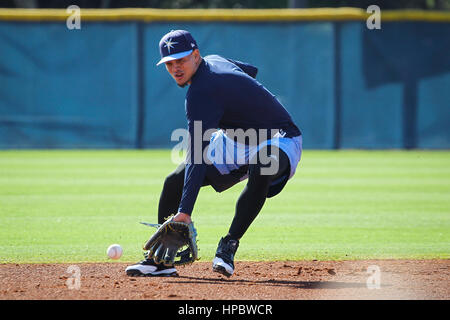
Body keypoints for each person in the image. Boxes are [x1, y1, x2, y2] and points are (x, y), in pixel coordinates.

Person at [125, 30, 302, 277]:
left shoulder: (200, 94)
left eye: (182, 60)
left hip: (279, 137)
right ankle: (160, 262)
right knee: (174, 181)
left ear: (196, 56)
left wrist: (184, 213)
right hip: (232, 141)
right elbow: (250, 71)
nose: (176, 68)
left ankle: (228, 246)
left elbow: (197, 156)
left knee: (263, 166)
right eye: (169, 63)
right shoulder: (214, 61)